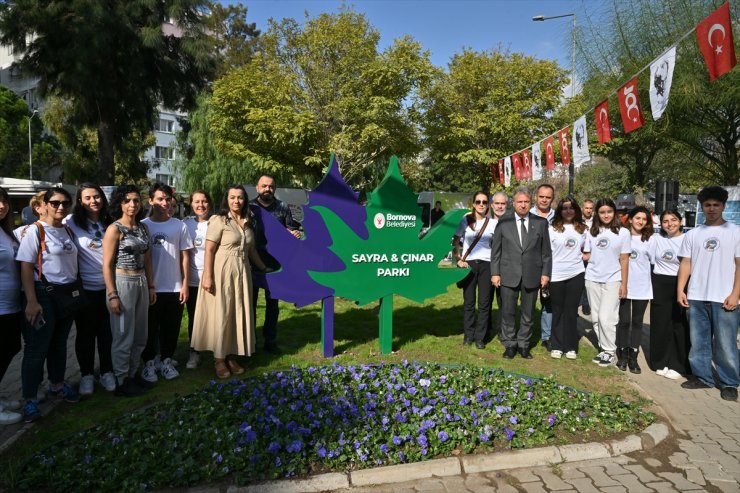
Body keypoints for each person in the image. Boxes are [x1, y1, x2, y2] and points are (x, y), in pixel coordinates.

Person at [16, 187, 82, 422]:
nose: (61, 207)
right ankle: (30, 400)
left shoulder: (67, 230)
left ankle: (57, 385)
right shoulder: (35, 231)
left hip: (66, 294)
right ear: (43, 205)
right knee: (36, 349)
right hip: (43, 294)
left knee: (59, 344)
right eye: (55, 203)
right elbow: (25, 266)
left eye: (65, 203)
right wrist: (32, 301)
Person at [192, 185, 270, 378]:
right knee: (223, 313)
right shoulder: (218, 220)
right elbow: (209, 250)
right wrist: (208, 276)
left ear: (245, 200)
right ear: (227, 199)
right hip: (222, 273)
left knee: (237, 313)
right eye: (233, 197)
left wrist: (263, 268)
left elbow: (251, 251)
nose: (236, 201)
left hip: (242, 273)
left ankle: (232, 356)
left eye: (240, 197)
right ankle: (219, 359)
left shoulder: (248, 221)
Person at [677, 186, 739, 402]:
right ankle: (703, 377)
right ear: (702, 207)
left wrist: (735, 294)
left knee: (725, 344)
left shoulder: (735, 232)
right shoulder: (693, 234)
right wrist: (681, 290)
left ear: (723, 206)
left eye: (716, 205)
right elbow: (686, 263)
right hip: (696, 296)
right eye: (707, 205)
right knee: (699, 341)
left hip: (724, 297)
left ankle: (729, 382)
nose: (711, 209)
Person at [102, 185, 156, 397]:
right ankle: (121, 379)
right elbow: (106, 265)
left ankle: (133, 375)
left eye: (135, 200)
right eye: (127, 201)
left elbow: (148, 258)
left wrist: (151, 285)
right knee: (123, 335)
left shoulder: (143, 228)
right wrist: (112, 294)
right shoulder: (114, 229)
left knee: (140, 334)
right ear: (120, 204)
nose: (132, 205)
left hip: (141, 280)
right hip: (123, 282)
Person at [65, 184, 115, 394]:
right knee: (86, 333)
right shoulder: (71, 223)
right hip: (85, 288)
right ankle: (86, 374)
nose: (93, 201)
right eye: (87, 198)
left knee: (107, 333)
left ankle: (106, 371)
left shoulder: (110, 221)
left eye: (96, 197)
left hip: (111, 286)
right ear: (80, 201)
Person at [490, 187, 552, 359]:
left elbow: (546, 252)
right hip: (508, 274)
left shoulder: (540, 223)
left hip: (532, 275)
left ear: (530, 203)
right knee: (508, 312)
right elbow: (496, 251)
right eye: (520, 202)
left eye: (526, 202)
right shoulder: (504, 222)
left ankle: (524, 344)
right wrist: (495, 273)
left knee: (528, 312)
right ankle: (509, 344)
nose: (523, 205)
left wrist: (546, 274)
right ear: (514, 203)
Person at [140, 183, 193, 382]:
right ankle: (149, 363)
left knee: (171, 327)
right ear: (150, 200)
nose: (164, 203)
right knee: (150, 328)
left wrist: (185, 284)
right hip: (151, 287)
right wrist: (149, 284)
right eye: (160, 199)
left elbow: (185, 257)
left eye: (167, 199)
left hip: (174, 287)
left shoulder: (179, 225)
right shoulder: (144, 225)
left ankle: (167, 360)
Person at [250, 175, 300, 354]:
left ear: (275, 189)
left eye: (270, 186)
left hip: (276, 265)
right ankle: (250, 342)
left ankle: (270, 341)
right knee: (250, 306)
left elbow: (292, 229)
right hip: (251, 264)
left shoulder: (282, 207)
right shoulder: (249, 208)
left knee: (273, 306)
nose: (267, 189)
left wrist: (294, 233)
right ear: (257, 188)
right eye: (264, 186)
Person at [583, 198, 631, 368]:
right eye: (602, 212)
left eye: (609, 211)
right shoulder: (592, 232)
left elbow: (624, 260)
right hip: (592, 279)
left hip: (613, 279)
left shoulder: (623, 232)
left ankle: (610, 351)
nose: (606, 215)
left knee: (606, 317)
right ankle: (603, 348)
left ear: (614, 212)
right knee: (595, 317)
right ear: (597, 213)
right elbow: (587, 255)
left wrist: (624, 284)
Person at [452, 191, 497, 349]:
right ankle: (468, 335)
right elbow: (455, 241)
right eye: (478, 202)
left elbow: (497, 247)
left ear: (488, 205)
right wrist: (459, 259)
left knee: (484, 303)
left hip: (487, 264)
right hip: (469, 264)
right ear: (473, 204)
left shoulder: (493, 223)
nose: (481, 205)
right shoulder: (465, 220)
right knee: (469, 302)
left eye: (484, 202)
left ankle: (480, 338)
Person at [649, 209, 689, 379]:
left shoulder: (688, 239)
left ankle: (678, 364)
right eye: (665, 221)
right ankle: (659, 361)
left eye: (673, 220)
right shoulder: (656, 239)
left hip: (681, 283)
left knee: (679, 325)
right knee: (660, 324)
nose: (669, 224)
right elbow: (650, 260)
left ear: (680, 221)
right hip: (660, 283)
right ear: (660, 224)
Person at [615, 206, 654, 374]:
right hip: (624, 285)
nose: (641, 222)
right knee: (623, 322)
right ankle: (622, 353)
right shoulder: (622, 236)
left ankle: (633, 356)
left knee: (637, 323)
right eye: (638, 218)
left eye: (644, 219)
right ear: (630, 219)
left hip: (642, 287)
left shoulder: (651, 239)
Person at [548, 197, 587, 360]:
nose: (568, 211)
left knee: (571, 311)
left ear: (576, 210)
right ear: (560, 211)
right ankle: (556, 345)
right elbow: (547, 253)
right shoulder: (552, 229)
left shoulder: (583, 229)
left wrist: (582, 257)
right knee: (557, 311)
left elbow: (588, 250)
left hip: (576, 274)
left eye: (571, 208)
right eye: (564, 208)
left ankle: (571, 346)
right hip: (556, 275)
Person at [0, 187, 23, 424]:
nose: (1, 205)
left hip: (11, 304)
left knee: (11, 348)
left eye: (4, 201)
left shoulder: (7, 232)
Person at [183, 190, 212, 370]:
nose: (200, 205)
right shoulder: (185, 224)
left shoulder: (216, 223)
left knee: (214, 317)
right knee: (194, 317)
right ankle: (194, 352)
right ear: (191, 204)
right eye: (197, 202)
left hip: (212, 280)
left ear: (209, 203)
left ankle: (219, 350)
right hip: (193, 281)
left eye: (204, 201)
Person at [530, 184, 555, 350]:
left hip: (551, 264)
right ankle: (526, 333)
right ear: (536, 197)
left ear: (552, 199)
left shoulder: (558, 217)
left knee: (548, 301)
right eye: (542, 197)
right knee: (528, 302)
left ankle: (547, 336)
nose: (544, 200)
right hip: (530, 264)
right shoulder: (527, 214)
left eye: (548, 197)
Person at [579, 199, 595, 315]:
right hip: (580, 254)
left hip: (593, 255)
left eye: (590, 208)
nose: (588, 210)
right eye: (586, 208)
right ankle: (580, 303)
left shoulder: (596, 222)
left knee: (589, 280)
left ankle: (587, 303)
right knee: (580, 280)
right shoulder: (577, 221)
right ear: (582, 208)